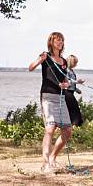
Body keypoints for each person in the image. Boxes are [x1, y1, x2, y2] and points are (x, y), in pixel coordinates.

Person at [28, 32, 72, 173]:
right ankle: (45, 163)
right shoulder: (45, 56)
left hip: (60, 97)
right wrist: (40, 59)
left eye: (61, 40)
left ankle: (53, 157)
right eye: (57, 40)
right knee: (50, 129)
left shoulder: (64, 62)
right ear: (51, 42)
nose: (60, 42)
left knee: (67, 130)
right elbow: (30, 67)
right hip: (47, 96)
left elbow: (64, 80)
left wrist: (65, 85)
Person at [65, 55, 85, 127]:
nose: (76, 64)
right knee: (75, 109)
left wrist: (76, 90)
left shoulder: (71, 71)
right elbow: (66, 82)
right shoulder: (66, 70)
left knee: (74, 109)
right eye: (75, 62)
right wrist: (78, 82)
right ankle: (75, 125)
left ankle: (73, 125)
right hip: (66, 92)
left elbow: (72, 83)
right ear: (70, 62)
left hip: (71, 92)